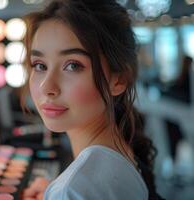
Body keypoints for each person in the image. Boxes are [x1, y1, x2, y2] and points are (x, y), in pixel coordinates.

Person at [21, 0, 163, 199]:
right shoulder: (120, 152)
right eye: (40, 65)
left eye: (72, 66)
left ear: (119, 79)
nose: (47, 87)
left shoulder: (73, 189)